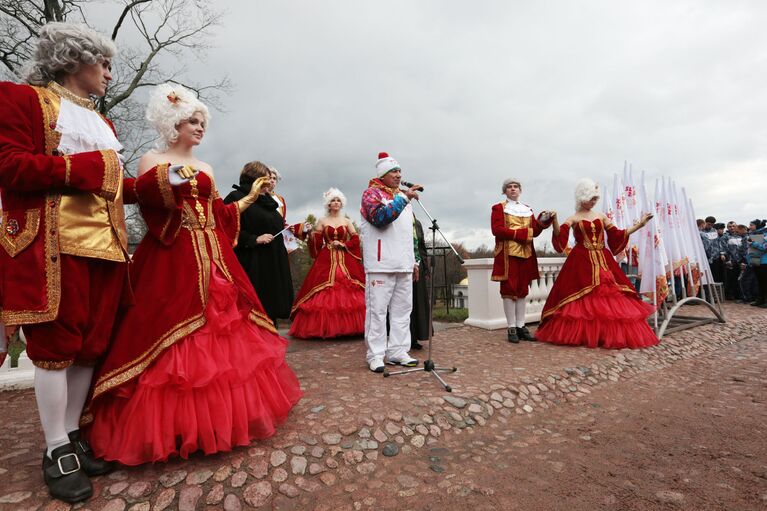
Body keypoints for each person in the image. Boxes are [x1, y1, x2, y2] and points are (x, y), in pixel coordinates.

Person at [84, 83, 302, 466]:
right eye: (192, 121)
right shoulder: (151, 160)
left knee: (224, 336)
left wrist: (248, 200)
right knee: (167, 330)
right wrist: (170, 184)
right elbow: (146, 204)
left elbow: (217, 215)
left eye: (203, 122)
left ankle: (222, 421)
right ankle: (175, 429)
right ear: (173, 125)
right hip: (173, 255)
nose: (200, 127)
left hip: (213, 257)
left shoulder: (207, 167)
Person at [0, 23, 129, 503]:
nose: (111, 76)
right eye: (106, 65)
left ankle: (71, 433)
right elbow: (9, 164)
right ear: (76, 59)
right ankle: (56, 448)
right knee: (54, 347)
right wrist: (82, 169)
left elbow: (113, 185)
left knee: (90, 347)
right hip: (50, 245)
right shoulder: (21, 99)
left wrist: (162, 186)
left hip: (107, 249)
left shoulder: (104, 124)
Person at [535, 179, 658, 349]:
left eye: (595, 199)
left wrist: (640, 225)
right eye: (591, 198)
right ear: (582, 198)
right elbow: (560, 236)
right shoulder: (574, 218)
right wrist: (555, 220)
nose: (594, 202)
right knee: (580, 296)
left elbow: (617, 234)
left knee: (609, 297)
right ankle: (585, 335)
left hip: (603, 259)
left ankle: (605, 335)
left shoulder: (601, 216)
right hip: (581, 260)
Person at [360, 152, 421, 372]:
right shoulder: (370, 195)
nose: (398, 175)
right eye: (393, 171)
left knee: (403, 310)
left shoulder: (403, 198)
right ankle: (375, 354)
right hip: (380, 263)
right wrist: (404, 198)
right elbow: (380, 219)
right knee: (377, 311)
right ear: (382, 174)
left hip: (404, 264)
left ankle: (397, 351)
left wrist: (415, 261)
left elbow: (411, 233)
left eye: (399, 171)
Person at [289, 188, 366, 338]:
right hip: (327, 259)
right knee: (322, 289)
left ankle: (353, 328)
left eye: (338, 200)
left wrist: (345, 245)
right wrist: (311, 233)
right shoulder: (322, 221)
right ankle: (323, 329)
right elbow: (316, 242)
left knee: (351, 289)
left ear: (341, 203)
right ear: (328, 205)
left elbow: (356, 239)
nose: (336, 203)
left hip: (345, 260)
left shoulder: (347, 221)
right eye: (333, 201)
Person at [224, 161, 294, 325]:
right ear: (255, 178)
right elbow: (224, 226)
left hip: (273, 261)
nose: (270, 182)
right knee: (255, 306)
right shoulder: (236, 197)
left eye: (271, 179)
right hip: (252, 261)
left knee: (271, 308)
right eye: (267, 178)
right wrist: (253, 239)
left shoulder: (269, 201)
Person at [490, 178, 551, 343]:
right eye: (509, 187)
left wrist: (543, 222)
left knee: (523, 290)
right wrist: (520, 234)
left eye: (515, 186)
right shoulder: (498, 208)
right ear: (505, 191)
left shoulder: (527, 209)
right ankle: (511, 327)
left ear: (520, 190)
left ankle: (520, 326)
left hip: (526, 254)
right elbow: (497, 230)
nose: (513, 189)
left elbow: (534, 232)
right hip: (508, 255)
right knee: (509, 291)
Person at [410, 217, 431, 350]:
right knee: (405, 303)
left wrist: (426, 267)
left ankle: (415, 337)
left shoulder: (417, 223)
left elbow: (421, 246)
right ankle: (405, 338)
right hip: (403, 264)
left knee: (418, 302)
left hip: (419, 266)